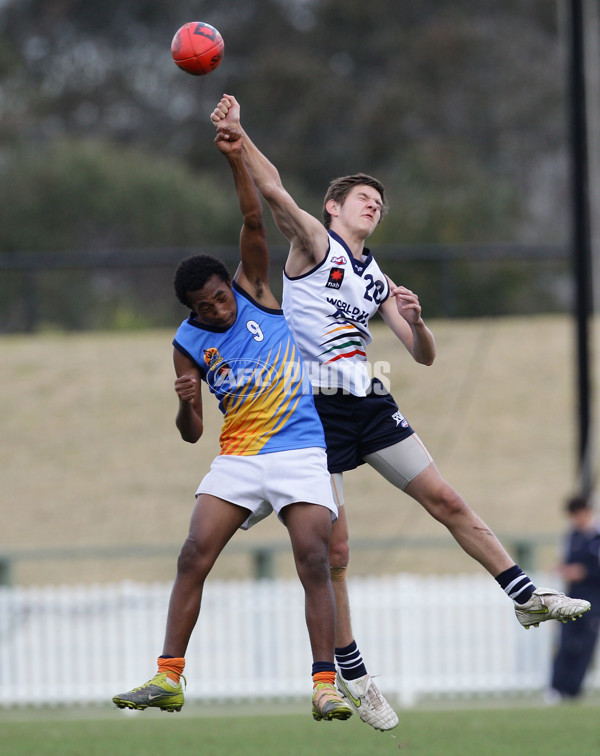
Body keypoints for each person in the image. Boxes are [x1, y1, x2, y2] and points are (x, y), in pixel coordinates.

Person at [210, 94, 591, 731]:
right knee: (335, 551)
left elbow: (422, 356)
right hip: (311, 413)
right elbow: (273, 191)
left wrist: (417, 323)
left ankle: (525, 596)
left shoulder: (376, 276)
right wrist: (239, 136)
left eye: (379, 202)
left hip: (368, 400)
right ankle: (356, 674)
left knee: (445, 498)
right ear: (333, 207)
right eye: (362, 197)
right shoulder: (311, 244)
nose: (373, 204)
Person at [112, 119, 353, 723]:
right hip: (239, 455)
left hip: (299, 448)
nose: (219, 308)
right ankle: (169, 678)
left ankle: (325, 685)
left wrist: (233, 157)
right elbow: (190, 434)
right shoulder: (187, 343)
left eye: (220, 296)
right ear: (191, 310)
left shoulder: (253, 289)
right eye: (206, 305)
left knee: (312, 558)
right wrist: (187, 404)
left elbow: (252, 221)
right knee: (194, 552)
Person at [548, 495, 600, 701]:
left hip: (594, 601)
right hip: (571, 599)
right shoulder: (571, 537)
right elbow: (565, 561)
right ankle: (556, 688)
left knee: (585, 645)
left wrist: (584, 572)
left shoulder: (597, 537)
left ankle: (573, 691)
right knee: (565, 642)